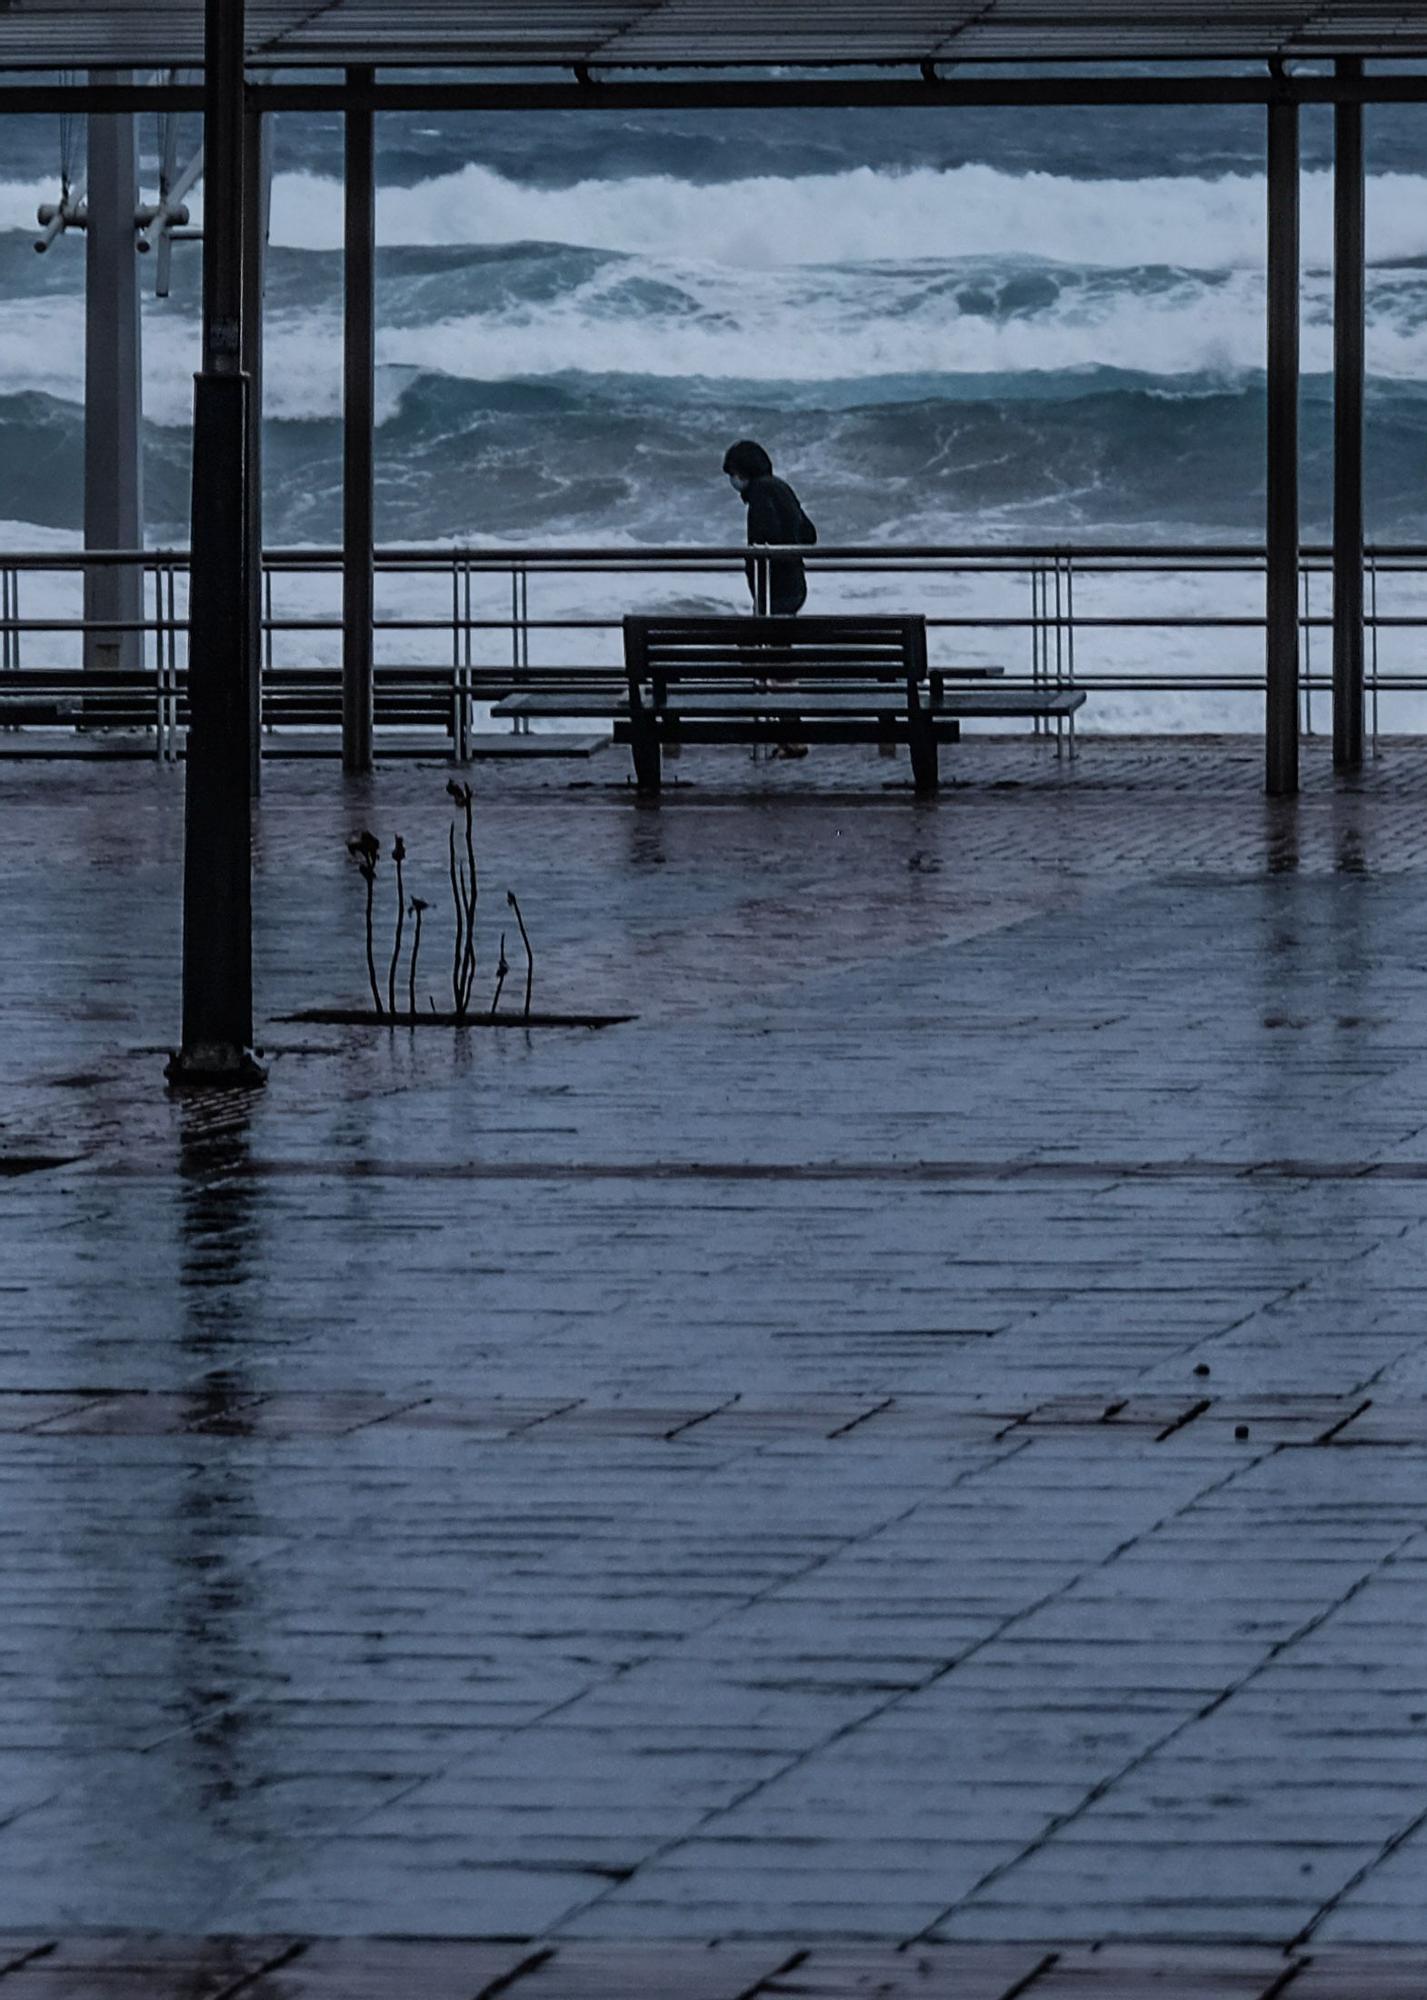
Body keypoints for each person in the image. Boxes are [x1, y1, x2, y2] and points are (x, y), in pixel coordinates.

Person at [722, 440, 816, 616]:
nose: (732, 480)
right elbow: (809, 534)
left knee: (769, 636)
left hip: (775, 587)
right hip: (795, 584)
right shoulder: (781, 487)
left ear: (743, 472)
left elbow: (765, 536)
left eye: (733, 473)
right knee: (780, 637)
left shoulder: (760, 493)